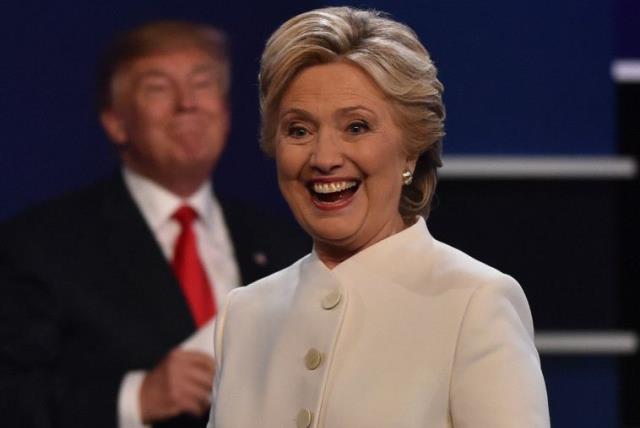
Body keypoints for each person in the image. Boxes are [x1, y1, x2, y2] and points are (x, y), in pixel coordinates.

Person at [207, 7, 550, 427]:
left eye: (356, 127)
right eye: (299, 130)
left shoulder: (475, 303)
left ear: (411, 149)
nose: (324, 158)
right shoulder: (244, 315)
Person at [0, 21, 308, 428]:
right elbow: (12, 395)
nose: (187, 103)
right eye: (158, 87)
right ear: (116, 121)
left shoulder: (285, 244)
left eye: (203, 83)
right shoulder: (41, 244)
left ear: (226, 112)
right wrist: (136, 396)